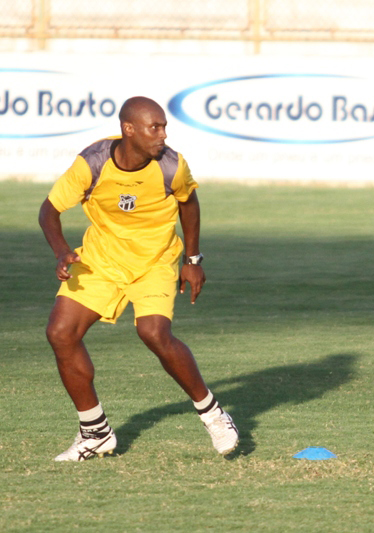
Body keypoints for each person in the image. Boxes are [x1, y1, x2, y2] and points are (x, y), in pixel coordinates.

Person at [38, 96, 238, 462]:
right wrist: (60, 250)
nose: (163, 134)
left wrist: (192, 259)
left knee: (153, 333)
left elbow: (188, 203)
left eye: (164, 126)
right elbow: (49, 209)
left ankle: (213, 414)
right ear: (128, 130)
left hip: (155, 262)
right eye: (155, 127)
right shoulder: (92, 163)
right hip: (102, 261)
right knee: (60, 333)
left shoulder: (171, 166)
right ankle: (94, 432)